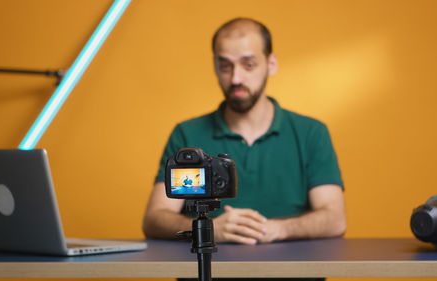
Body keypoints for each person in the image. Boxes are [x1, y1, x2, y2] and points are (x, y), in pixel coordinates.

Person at [143, 17, 345, 248]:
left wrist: (278, 229)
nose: (236, 78)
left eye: (248, 64)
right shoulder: (186, 135)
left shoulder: (311, 133)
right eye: (225, 66)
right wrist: (211, 229)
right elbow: (154, 219)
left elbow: (335, 219)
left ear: (271, 64)